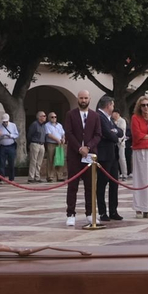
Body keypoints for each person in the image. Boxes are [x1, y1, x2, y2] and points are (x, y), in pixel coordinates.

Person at [63, 91, 100, 227]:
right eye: (81, 98)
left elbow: (98, 134)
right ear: (78, 99)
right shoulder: (70, 114)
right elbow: (69, 133)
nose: (83, 100)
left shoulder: (95, 116)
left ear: (89, 99)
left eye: (85, 98)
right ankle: (70, 214)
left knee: (90, 186)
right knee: (72, 186)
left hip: (89, 156)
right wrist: (79, 148)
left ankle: (90, 213)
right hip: (74, 155)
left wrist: (88, 147)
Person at [94, 96, 124, 221]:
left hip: (112, 155)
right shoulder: (99, 116)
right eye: (112, 105)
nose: (113, 107)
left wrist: (114, 131)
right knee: (102, 183)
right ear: (108, 105)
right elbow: (107, 133)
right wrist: (115, 135)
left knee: (114, 183)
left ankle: (113, 210)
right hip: (103, 155)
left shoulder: (109, 118)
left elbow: (121, 131)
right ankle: (102, 212)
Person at [0, 111, 19, 180]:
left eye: (6, 122)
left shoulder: (13, 125)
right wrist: (1, 136)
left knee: (11, 162)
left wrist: (11, 135)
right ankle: (2, 178)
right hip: (3, 146)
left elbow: (16, 135)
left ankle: (11, 178)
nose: (5, 123)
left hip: (11, 145)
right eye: (4, 122)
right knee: (2, 163)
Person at [26, 111, 48, 183]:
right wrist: (30, 143)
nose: (45, 117)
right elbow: (29, 135)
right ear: (39, 117)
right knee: (33, 161)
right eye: (44, 116)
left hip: (42, 144)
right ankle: (31, 177)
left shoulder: (43, 125)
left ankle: (37, 176)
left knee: (39, 162)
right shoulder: (34, 124)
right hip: (35, 143)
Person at [44, 111, 66, 183]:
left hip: (59, 144)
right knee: (50, 160)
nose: (54, 118)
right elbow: (49, 134)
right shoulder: (47, 125)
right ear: (49, 118)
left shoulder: (59, 125)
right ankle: (50, 176)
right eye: (52, 117)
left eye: (55, 117)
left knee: (60, 160)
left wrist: (63, 139)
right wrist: (57, 139)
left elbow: (63, 133)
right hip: (51, 143)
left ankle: (60, 176)